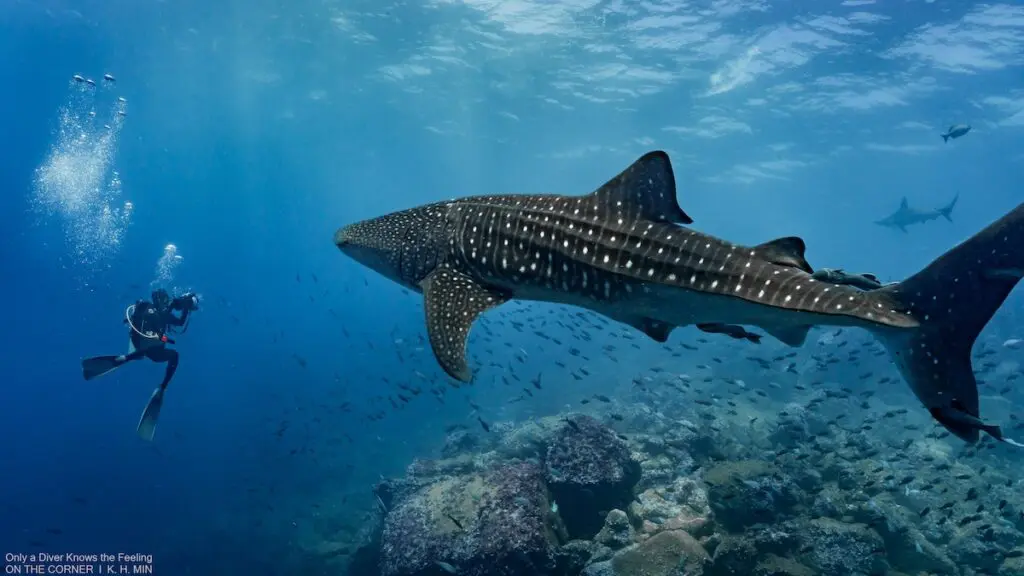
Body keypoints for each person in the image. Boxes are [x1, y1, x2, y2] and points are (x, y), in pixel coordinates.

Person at [81, 289, 199, 440]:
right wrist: (185, 309)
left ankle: (124, 358)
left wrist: (183, 308)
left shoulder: (145, 307)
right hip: (152, 349)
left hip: (140, 345)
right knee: (173, 355)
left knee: (146, 351)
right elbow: (179, 322)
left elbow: (170, 322)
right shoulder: (161, 311)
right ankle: (162, 387)